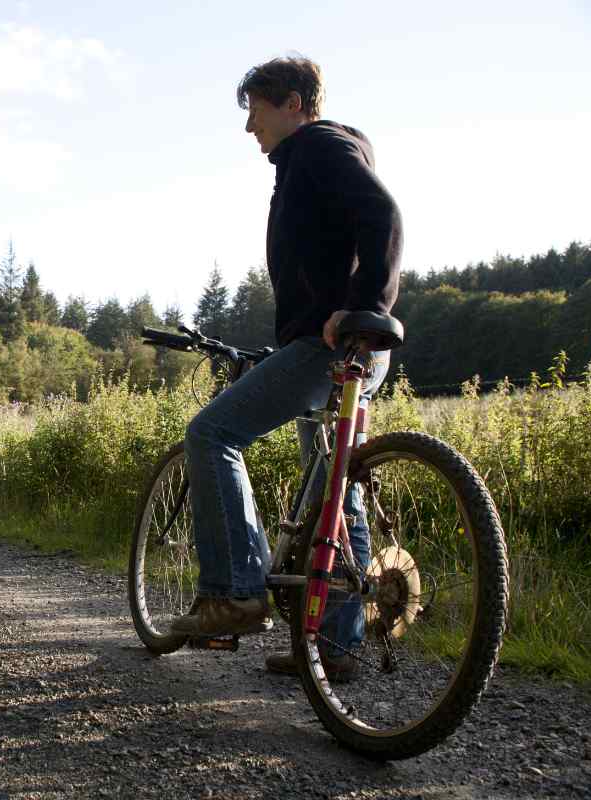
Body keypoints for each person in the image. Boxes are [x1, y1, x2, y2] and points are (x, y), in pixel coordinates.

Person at [169, 56, 402, 680]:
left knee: (212, 434)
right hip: (355, 351)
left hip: (333, 346)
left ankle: (235, 592)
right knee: (335, 485)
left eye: (256, 109)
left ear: (294, 102)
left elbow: (384, 216)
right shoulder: (314, 158)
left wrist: (364, 306)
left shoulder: (319, 149)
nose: (250, 126)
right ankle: (336, 645)